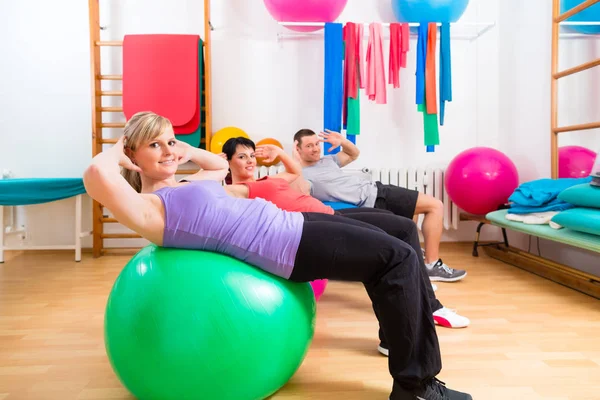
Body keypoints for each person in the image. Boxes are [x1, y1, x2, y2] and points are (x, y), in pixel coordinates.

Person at [82, 111, 472, 400]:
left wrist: (178, 147)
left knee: (402, 247)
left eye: (170, 141)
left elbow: (219, 165)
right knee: (396, 261)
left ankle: (422, 377)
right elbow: (96, 175)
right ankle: (414, 388)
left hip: (292, 222)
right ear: (133, 153)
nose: (168, 150)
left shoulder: (184, 181)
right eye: (155, 144)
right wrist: (120, 149)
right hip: (285, 246)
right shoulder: (148, 207)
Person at [221, 136, 470, 348]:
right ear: (228, 160)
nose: (250, 160)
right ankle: (429, 308)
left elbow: (295, 172)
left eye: (252, 155)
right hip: (317, 223)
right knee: (396, 238)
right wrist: (213, 166)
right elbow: (206, 190)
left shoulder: (268, 181)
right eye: (242, 156)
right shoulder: (240, 190)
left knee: (402, 225)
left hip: (333, 214)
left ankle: (414, 314)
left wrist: (278, 153)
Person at [293, 128, 467, 283]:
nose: (315, 148)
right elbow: (301, 193)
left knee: (412, 215)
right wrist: (294, 162)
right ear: (298, 148)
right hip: (373, 199)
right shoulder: (302, 175)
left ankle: (413, 261)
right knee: (435, 206)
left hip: (377, 188)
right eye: (309, 146)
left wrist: (343, 141)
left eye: (317, 143)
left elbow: (354, 154)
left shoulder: (328, 160)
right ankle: (431, 265)